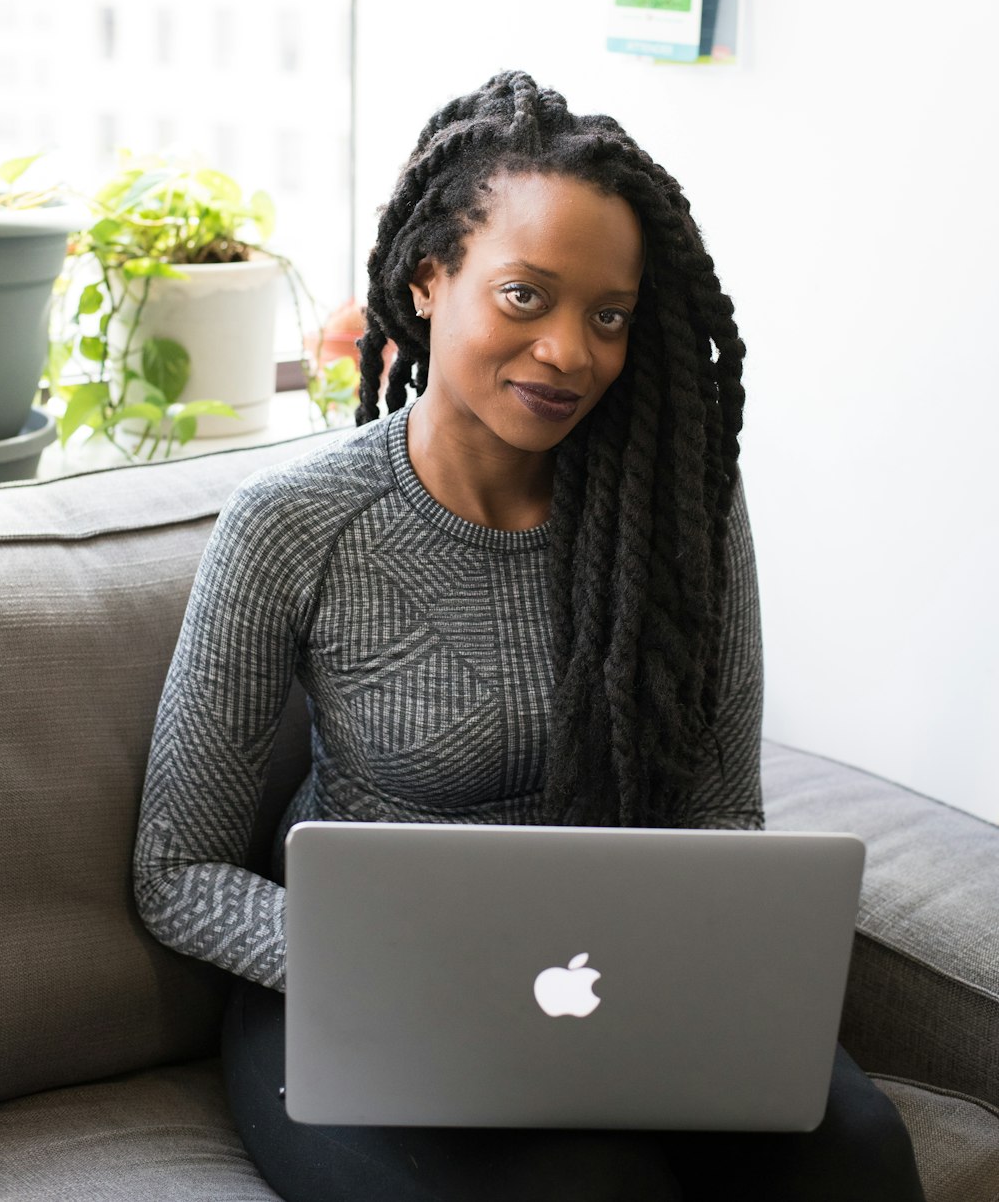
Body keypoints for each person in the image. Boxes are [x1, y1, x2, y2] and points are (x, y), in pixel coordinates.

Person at [133, 71, 925, 1202]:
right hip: (355, 995)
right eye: (525, 296)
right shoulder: (294, 525)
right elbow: (177, 871)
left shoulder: (679, 512)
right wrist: (403, 975)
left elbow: (717, 814)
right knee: (583, 1187)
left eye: (607, 315)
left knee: (855, 1155)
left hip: (619, 983)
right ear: (428, 276)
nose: (569, 351)